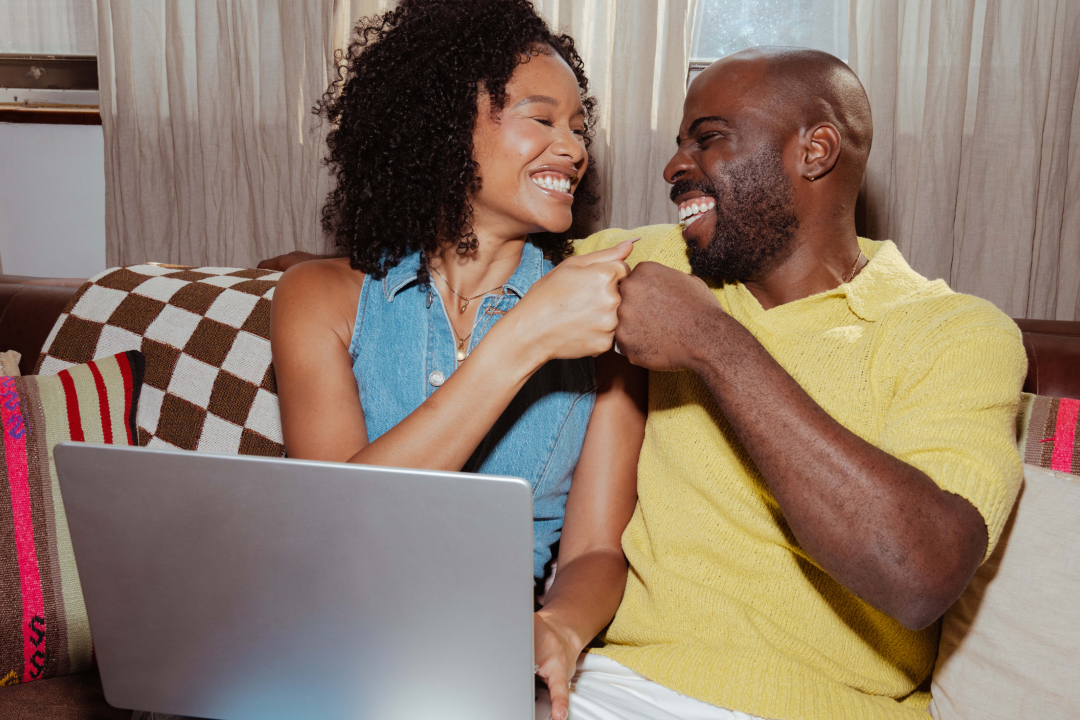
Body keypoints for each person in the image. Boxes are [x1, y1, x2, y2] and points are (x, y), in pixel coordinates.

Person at [560, 48, 1026, 720]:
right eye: (678, 143)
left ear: (815, 151)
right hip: (613, 690)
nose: (673, 168)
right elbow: (473, 263)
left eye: (709, 137)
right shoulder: (656, 261)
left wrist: (714, 345)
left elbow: (919, 574)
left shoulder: (955, 332)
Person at [268, 3, 644, 720]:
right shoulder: (317, 299)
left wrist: (558, 629)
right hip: (324, 639)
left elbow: (596, 551)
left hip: (477, 665)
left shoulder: (610, 324)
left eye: (578, 126)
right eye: (542, 118)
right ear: (442, 126)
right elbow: (336, 526)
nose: (571, 147)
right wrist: (523, 338)